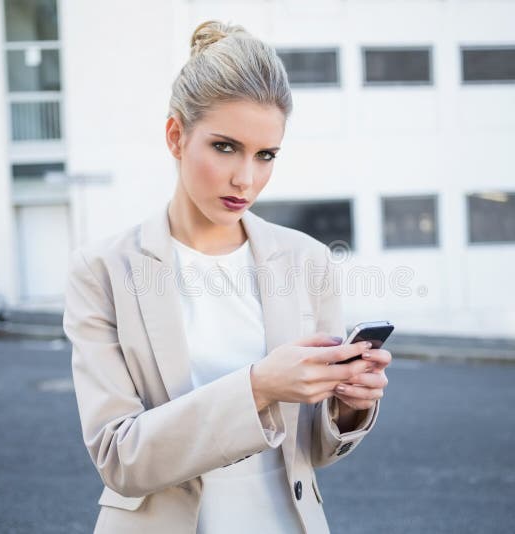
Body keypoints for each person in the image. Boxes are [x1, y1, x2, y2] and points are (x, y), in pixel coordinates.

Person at [63, 19, 392, 534]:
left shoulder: (307, 262)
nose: (247, 178)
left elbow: (313, 452)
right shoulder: (103, 270)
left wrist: (347, 407)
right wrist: (259, 386)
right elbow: (119, 457)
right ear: (176, 136)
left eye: (266, 155)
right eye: (225, 147)